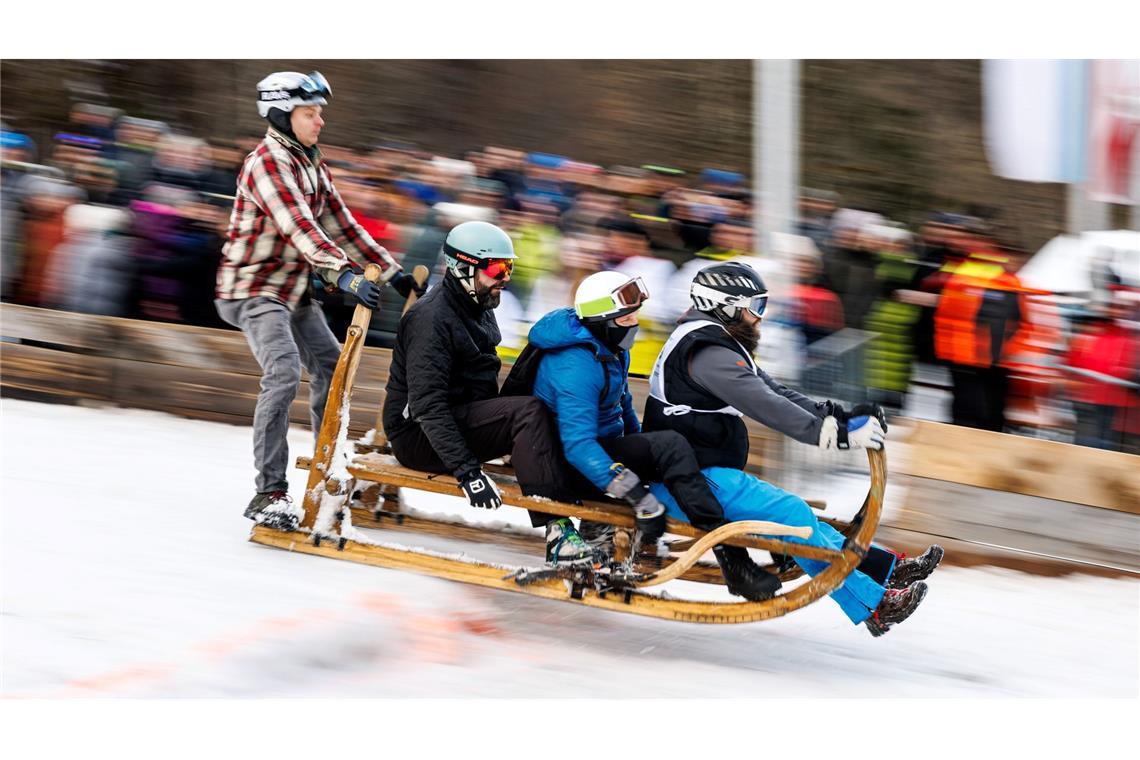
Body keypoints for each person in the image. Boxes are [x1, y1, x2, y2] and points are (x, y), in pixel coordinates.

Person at [642, 260, 942, 594]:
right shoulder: (709, 354)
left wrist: (836, 415)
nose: (760, 316)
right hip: (688, 479)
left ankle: (886, 570)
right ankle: (874, 603)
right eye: (756, 306)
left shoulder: (715, 341)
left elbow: (775, 391)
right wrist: (831, 435)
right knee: (792, 516)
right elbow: (767, 405)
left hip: (700, 470)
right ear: (725, 308)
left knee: (797, 517)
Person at [215, 70, 423, 531]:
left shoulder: (312, 164)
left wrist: (394, 274)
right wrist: (345, 276)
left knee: (333, 368)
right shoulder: (267, 162)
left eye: (319, 113)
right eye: (310, 113)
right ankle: (268, 491)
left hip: (293, 292)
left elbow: (344, 227)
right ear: (282, 115)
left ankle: (327, 461)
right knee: (284, 369)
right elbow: (300, 228)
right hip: (253, 288)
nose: (319, 122)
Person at [515, 270, 781, 601]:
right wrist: (636, 494)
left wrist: (649, 457)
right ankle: (732, 559)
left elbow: (623, 405)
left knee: (671, 447)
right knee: (671, 445)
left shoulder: (608, 346)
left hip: (600, 453)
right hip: (566, 465)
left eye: (635, 314)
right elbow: (578, 445)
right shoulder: (576, 365)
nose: (635, 322)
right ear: (604, 318)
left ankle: (750, 540)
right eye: (627, 316)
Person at [382, 220, 594, 566]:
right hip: (419, 438)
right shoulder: (431, 319)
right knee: (527, 412)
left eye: (509, 267)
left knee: (539, 353)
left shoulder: (476, 303)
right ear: (463, 267)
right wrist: (469, 473)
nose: (506, 277)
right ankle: (558, 532)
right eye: (497, 268)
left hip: (462, 413)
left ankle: (592, 496)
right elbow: (427, 405)